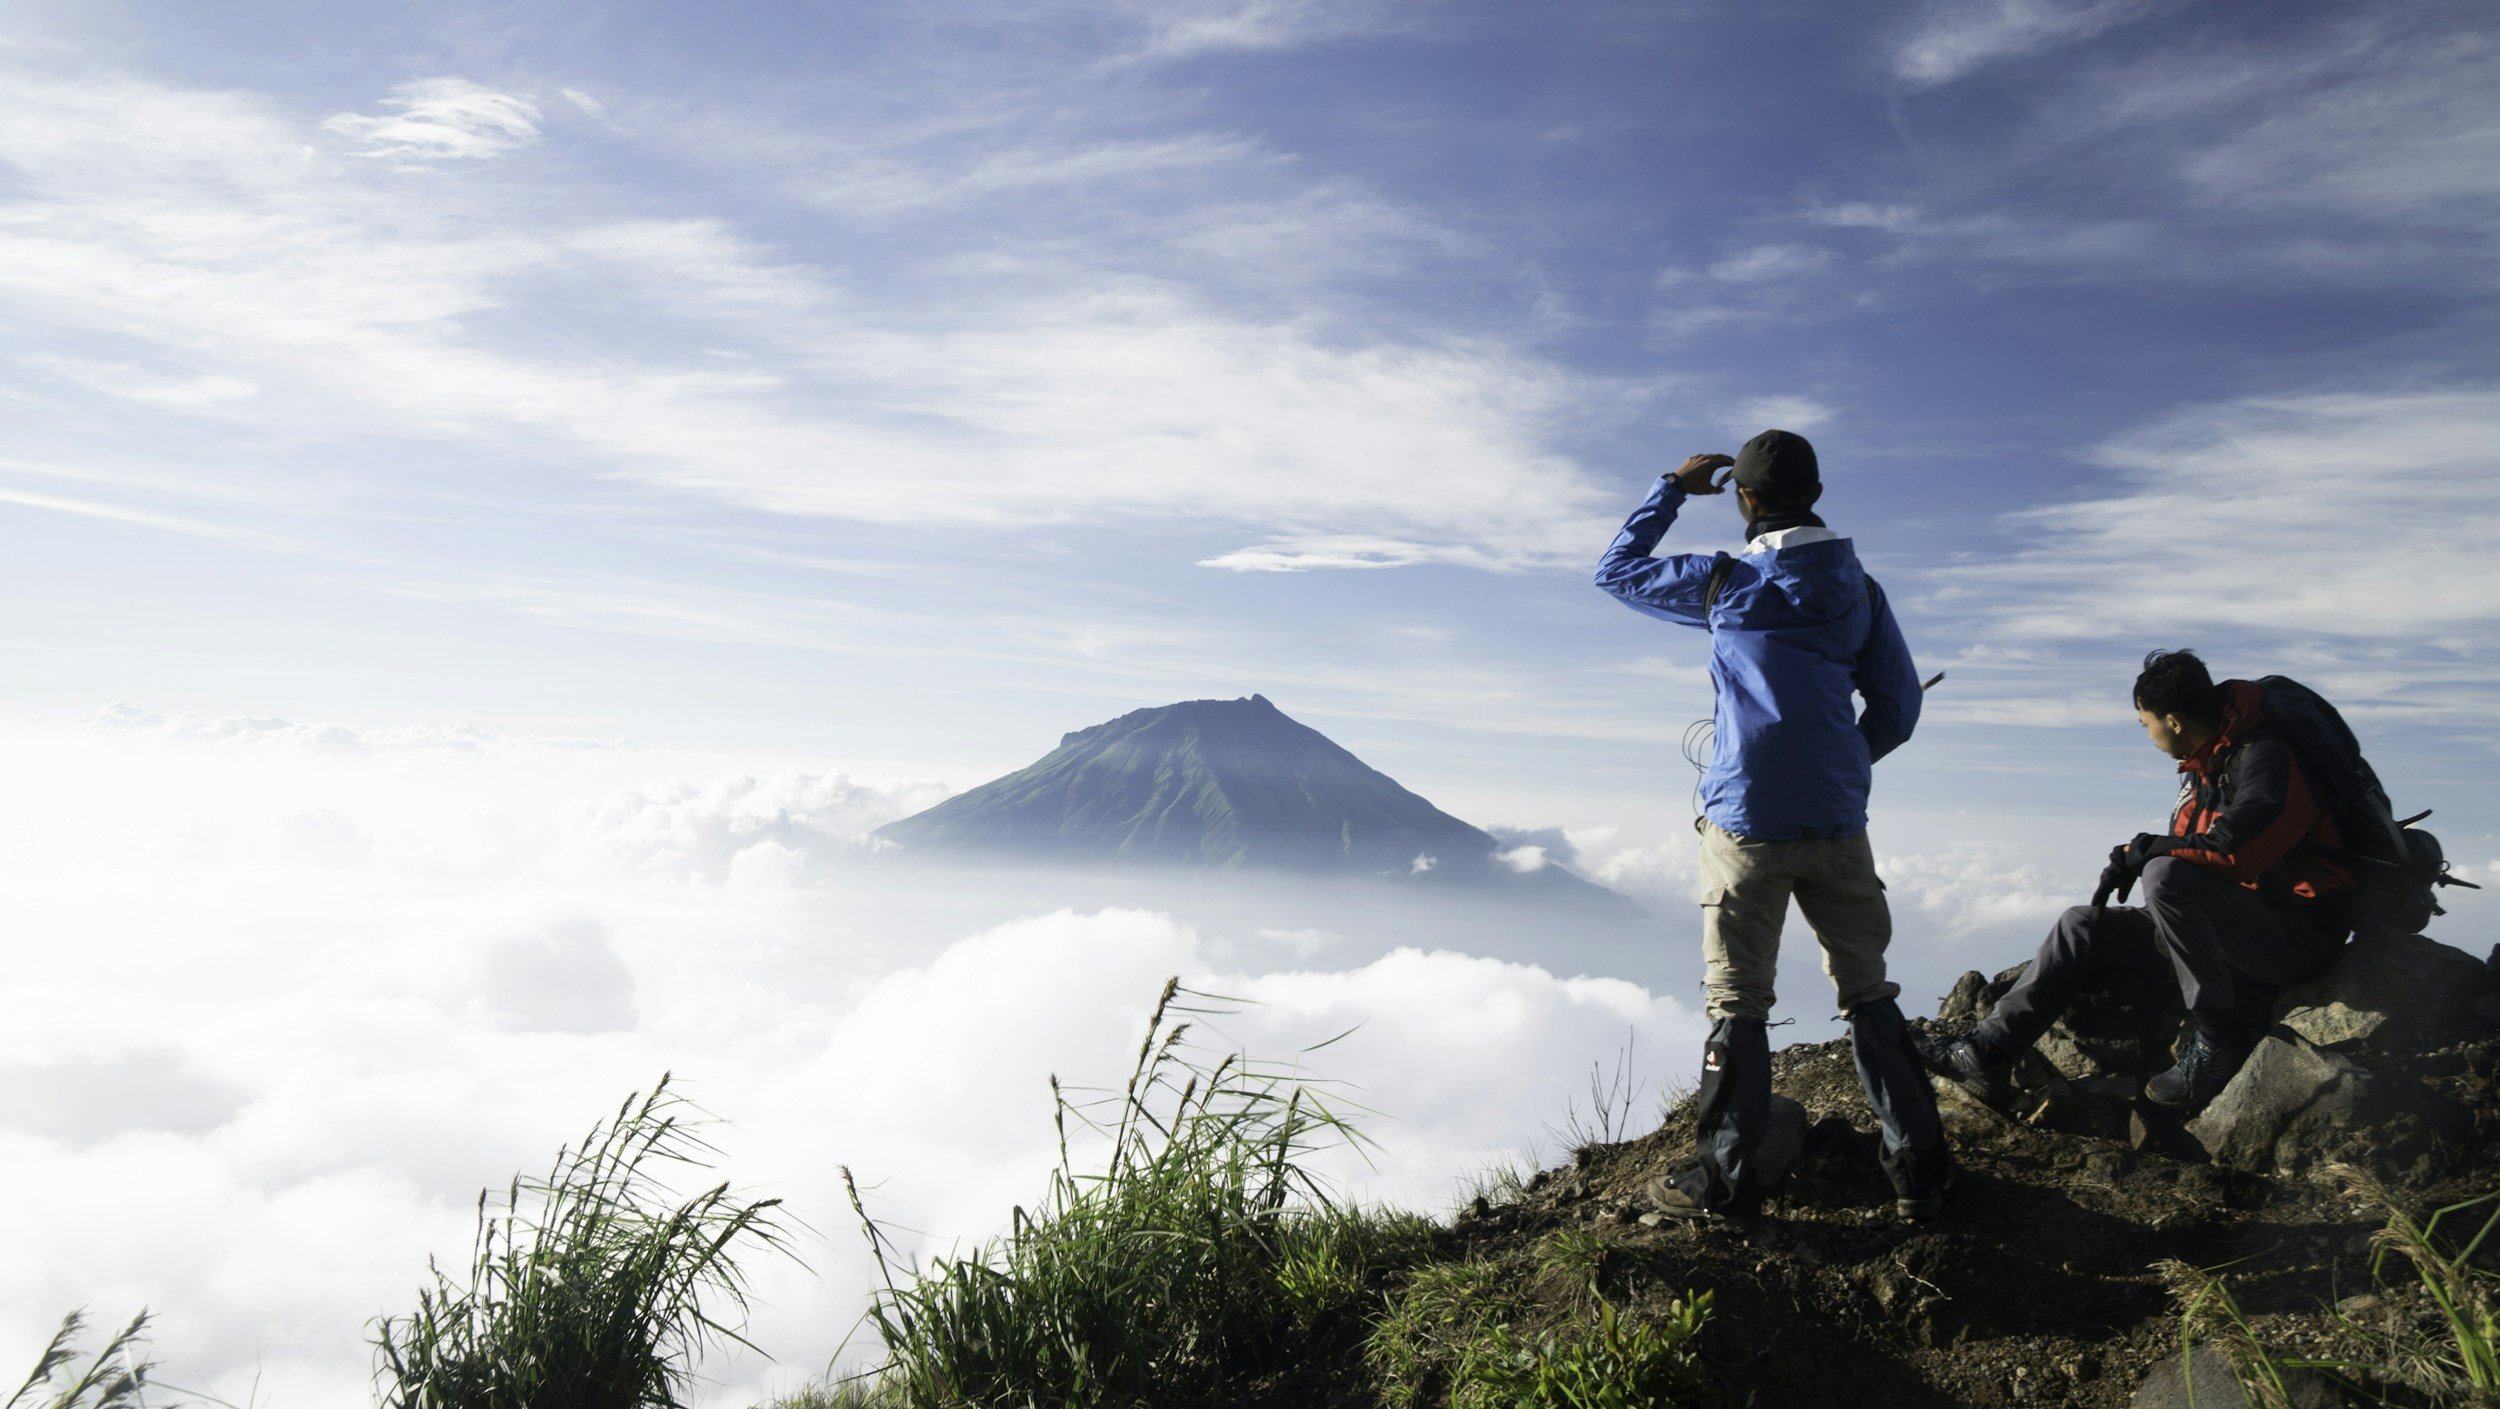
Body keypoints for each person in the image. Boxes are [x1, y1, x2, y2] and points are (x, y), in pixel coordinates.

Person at [1593, 428, 1950, 1223]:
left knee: (1738, 998)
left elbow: (1614, 572)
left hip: (1745, 820)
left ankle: (1726, 1181)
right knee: (1867, 989)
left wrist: (1674, 488)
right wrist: (1844, 765)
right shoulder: (1860, 589)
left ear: (1745, 500)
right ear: (1816, 494)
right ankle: (1923, 1171)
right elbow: (1898, 705)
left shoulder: (1724, 583)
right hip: (1835, 819)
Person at [1922, 650, 2353, 1110]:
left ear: (2173, 719)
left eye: (2146, 723)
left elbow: (2234, 853)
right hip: (2238, 922)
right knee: (2081, 925)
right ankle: (1987, 1053)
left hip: (2295, 935)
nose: (2148, 735)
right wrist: (2135, 855)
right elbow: (2202, 850)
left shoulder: (2268, 760)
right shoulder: (2210, 763)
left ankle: (2219, 1039)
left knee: (2165, 872)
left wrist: (2151, 852)